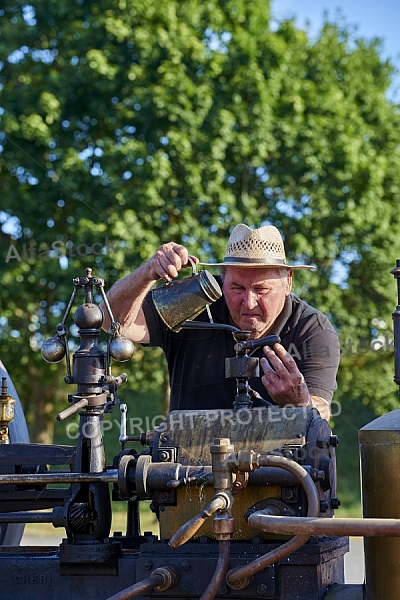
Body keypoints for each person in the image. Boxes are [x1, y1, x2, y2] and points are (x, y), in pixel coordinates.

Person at [103, 224, 339, 420]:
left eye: (261, 289)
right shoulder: (193, 302)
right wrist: (148, 273)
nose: (248, 302)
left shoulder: (311, 328)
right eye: (237, 287)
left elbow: (322, 409)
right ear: (222, 278)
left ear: (288, 282)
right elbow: (110, 321)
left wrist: (300, 403)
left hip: (278, 469)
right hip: (188, 471)